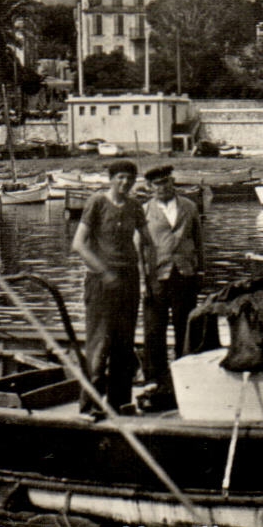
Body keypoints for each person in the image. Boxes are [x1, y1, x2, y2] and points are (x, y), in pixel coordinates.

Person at [70, 159, 151, 416]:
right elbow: (79, 244)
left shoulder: (135, 206)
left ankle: (119, 403)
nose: (124, 183)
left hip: (129, 281)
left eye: (129, 178)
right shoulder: (97, 202)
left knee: (124, 346)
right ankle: (90, 406)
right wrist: (104, 272)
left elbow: (148, 241)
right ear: (111, 179)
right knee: (99, 345)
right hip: (101, 283)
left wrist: (149, 275)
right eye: (120, 178)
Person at [141, 165, 208, 389]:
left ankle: (186, 374)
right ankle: (155, 378)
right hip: (156, 276)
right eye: (157, 184)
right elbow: (138, 248)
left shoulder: (189, 207)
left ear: (173, 182)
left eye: (166, 182)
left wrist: (200, 271)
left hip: (185, 273)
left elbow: (198, 241)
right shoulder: (143, 212)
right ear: (149, 187)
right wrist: (142, 280)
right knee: (154, 329)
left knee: (185, 325)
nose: (163, 187)